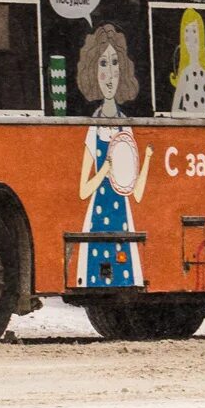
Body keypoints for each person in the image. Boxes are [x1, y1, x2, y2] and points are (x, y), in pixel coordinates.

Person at [74, 24, 151, 288]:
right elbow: (84, 190)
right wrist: (105, 170)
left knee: (125, 275)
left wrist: (148, 159)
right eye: (103, 64)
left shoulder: (126, 126)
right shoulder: (91, 129)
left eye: (115, 63)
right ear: (92, 71)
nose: (110, 74)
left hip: (123, 218)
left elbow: (136, 192)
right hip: (97, 220)